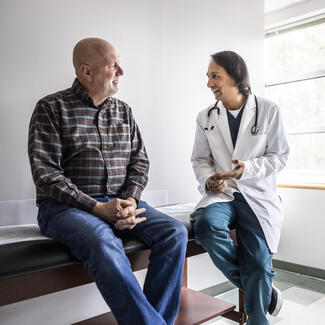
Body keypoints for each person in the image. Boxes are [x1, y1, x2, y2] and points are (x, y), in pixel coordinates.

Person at [28, 37, 187, 325]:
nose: (121, 71)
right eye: (113, 65)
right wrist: (98, 209)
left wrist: (130, 200)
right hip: (64, 209)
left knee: (174, 233)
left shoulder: (123, 111)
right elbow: (46, 174)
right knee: (104, 240)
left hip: (120, 202)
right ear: (86, 72)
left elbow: (140, 162)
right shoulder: (51, 108)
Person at [191, 51, 289, 325]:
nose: (209, 83)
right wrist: (208, 179)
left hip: (256, 195)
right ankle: (266, 294)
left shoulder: (269, 111)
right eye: (208, 76)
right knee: (206, 227)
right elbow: (200, 159)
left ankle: (258, 319)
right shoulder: (205, 116)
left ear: (236, 77)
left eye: (215, 76)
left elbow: (279, 156)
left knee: (258, 264)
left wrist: (247, 168)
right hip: (223, 194)